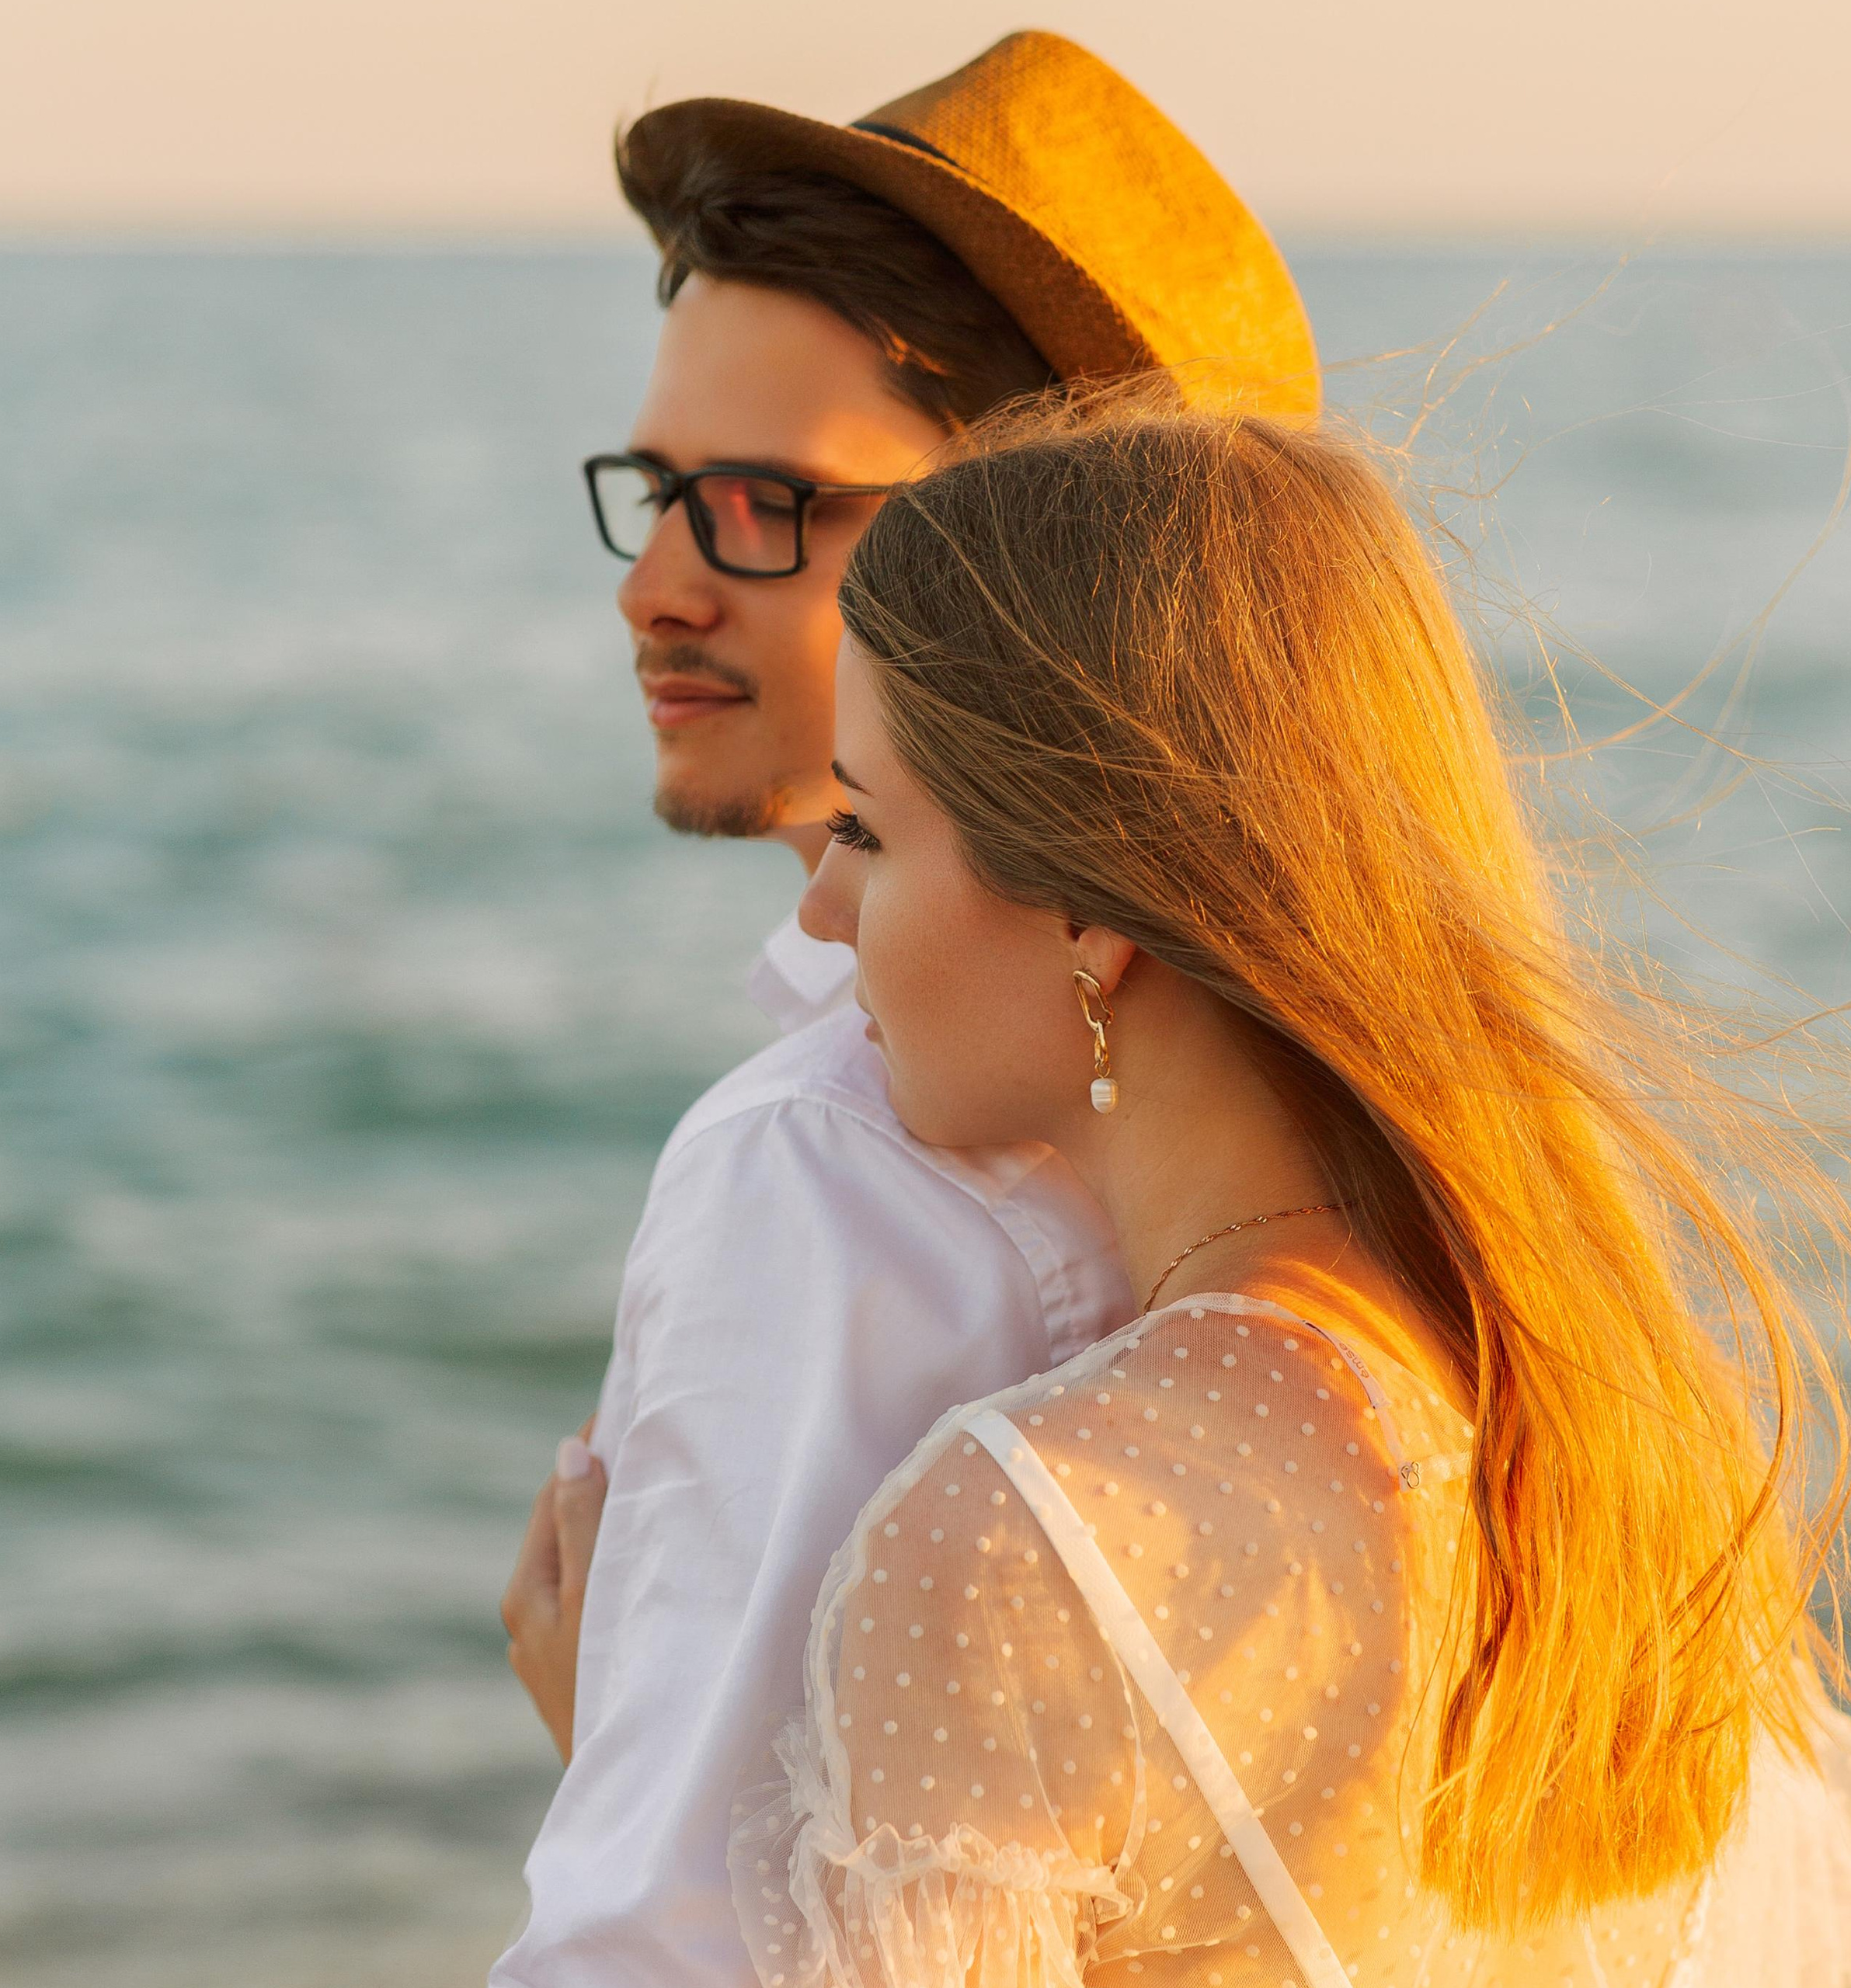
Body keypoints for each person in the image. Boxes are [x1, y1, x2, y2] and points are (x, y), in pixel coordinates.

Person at [729, 394, 1851, 1984]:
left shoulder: (1028, 1533)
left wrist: (630, 1768)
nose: (828, 908)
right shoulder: (1603, 1458)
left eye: (864, 822)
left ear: (1079, 903)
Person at [492, 33, 1320, 1986]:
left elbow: (665, 1958)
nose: (659, 587)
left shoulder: (823, 1165)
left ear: (1046, 575)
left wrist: (624, 1770)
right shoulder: (1376, 1169)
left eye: (773, 503)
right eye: (659, 489)